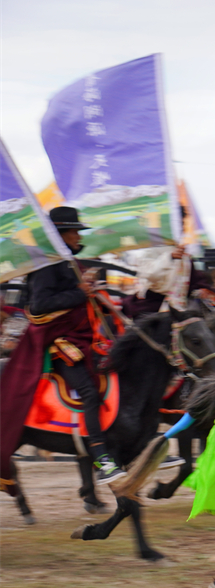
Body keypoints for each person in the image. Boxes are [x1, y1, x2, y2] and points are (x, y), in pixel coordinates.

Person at [0, 207, 124, 485]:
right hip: (61, 343)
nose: (78, 235)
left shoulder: (68, 263)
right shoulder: (46, 266)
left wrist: (89, 291)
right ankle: (102, 459)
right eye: (74, 231)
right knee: (90, 393)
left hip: (84, 338)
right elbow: (39, 306)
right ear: (60, 235)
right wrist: (78, 293)